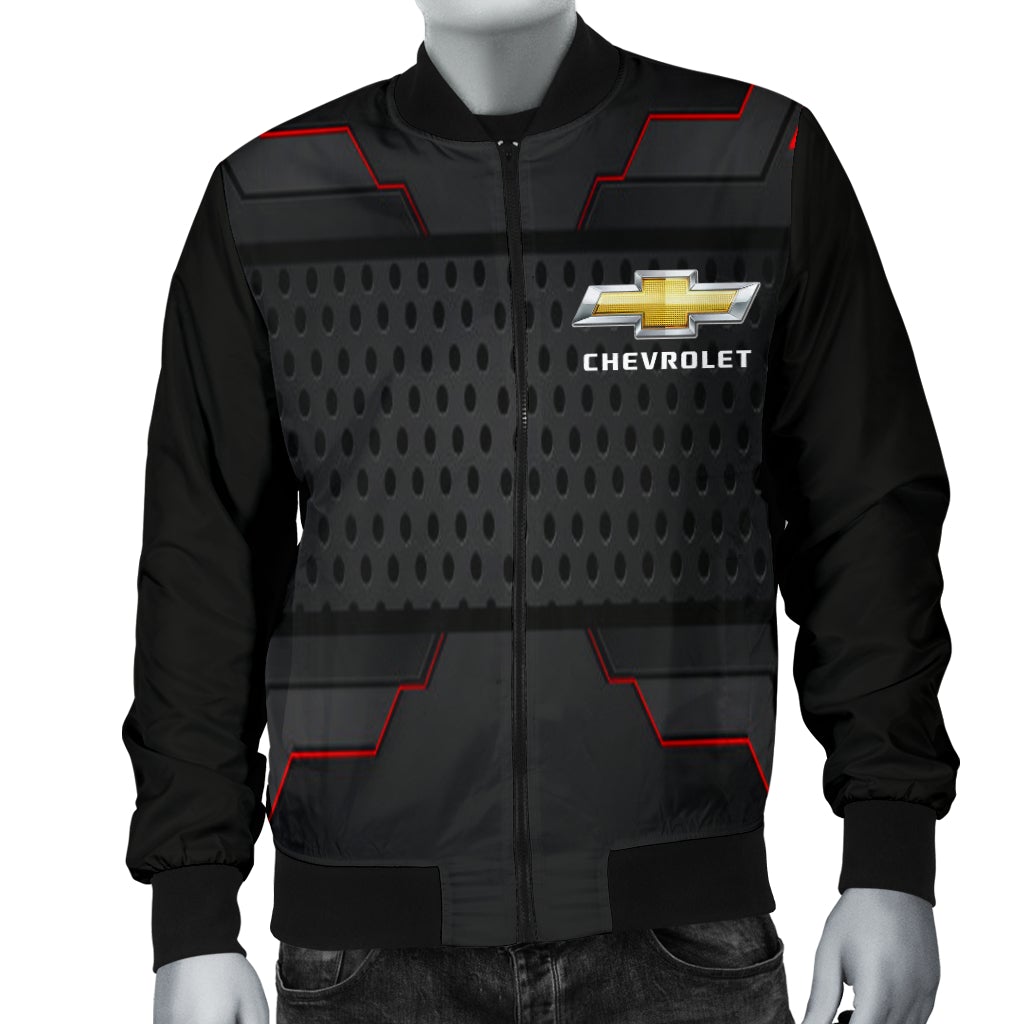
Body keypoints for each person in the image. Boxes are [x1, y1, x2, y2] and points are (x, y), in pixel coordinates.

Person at [122, 2, 959, 1022]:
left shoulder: (751, 162)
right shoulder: (271, 199)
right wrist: (193, 912)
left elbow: (865, 515)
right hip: (363, 959)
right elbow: (204, 571)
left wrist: (890, 851)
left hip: (685, 940)